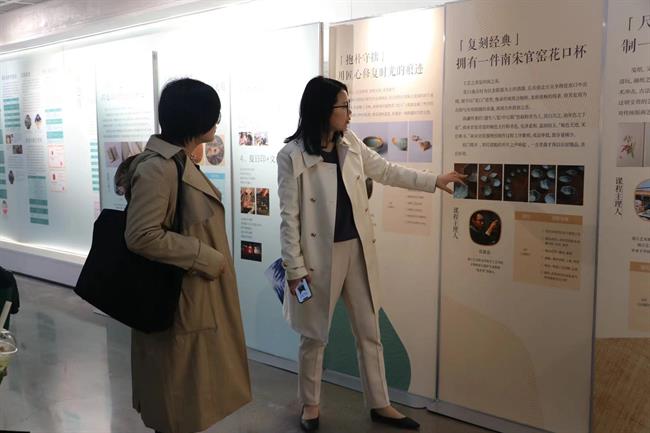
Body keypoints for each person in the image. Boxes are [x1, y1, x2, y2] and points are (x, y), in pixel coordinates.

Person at [277, 76, 466, 431]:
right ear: (324, 109)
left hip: (356, 250)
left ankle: (380, 403)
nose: (350, 113)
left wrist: (433, 181)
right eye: (344, 106)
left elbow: (386, 171)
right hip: (319, 257)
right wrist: (294, 268)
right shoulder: (292, 156)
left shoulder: (349, 143)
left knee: (369, 330)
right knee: (314, 336)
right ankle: (310, 405)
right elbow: (289, 218)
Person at [122, 78, 251, 433]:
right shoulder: (159, 168)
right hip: (177, 298)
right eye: (214, 114)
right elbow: (141, 234)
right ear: (196, 119)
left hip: (191, 295)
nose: (217, 121)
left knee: (188, 399)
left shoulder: (178, 162)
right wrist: (204, 257)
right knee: (176, 403)